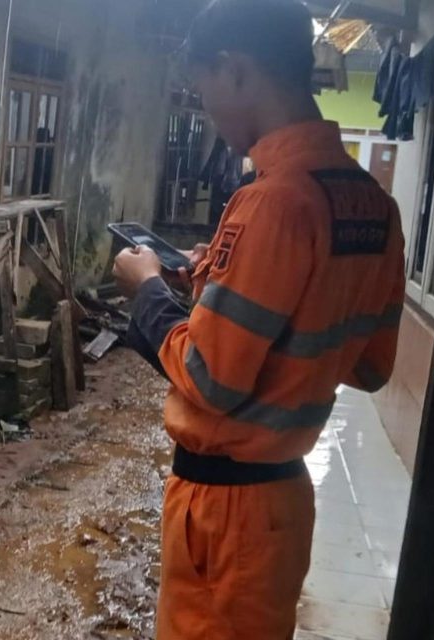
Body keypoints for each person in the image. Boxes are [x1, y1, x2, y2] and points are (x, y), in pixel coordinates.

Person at [112, 0, 406, 637]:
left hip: (226, 516)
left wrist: (148, 290)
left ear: (234, 69)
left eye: (204, 89)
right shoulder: (374, 207)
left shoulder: (273, 200)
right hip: (280, 508)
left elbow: (210, 377)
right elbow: (370, 367)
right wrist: (222, 279)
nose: (209, 113)